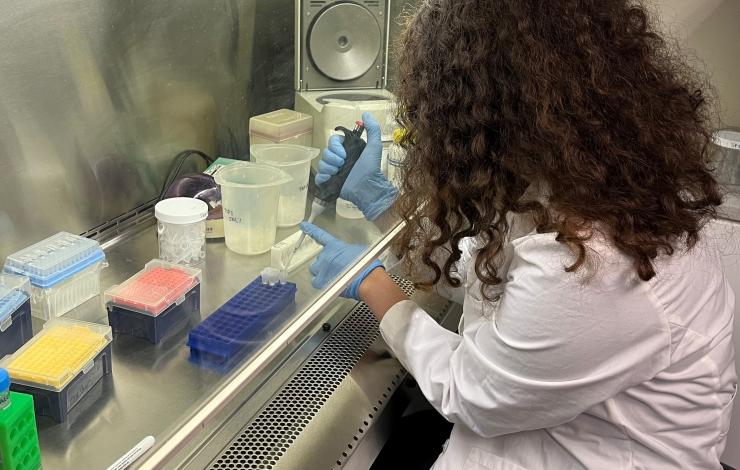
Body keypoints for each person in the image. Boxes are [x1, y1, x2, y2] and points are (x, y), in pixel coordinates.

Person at [300, 1, 737, 468]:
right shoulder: (594, 182)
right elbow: (485, 274)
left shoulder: (596, 258)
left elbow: (472, 392)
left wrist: (374, 286)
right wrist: (383, 205)